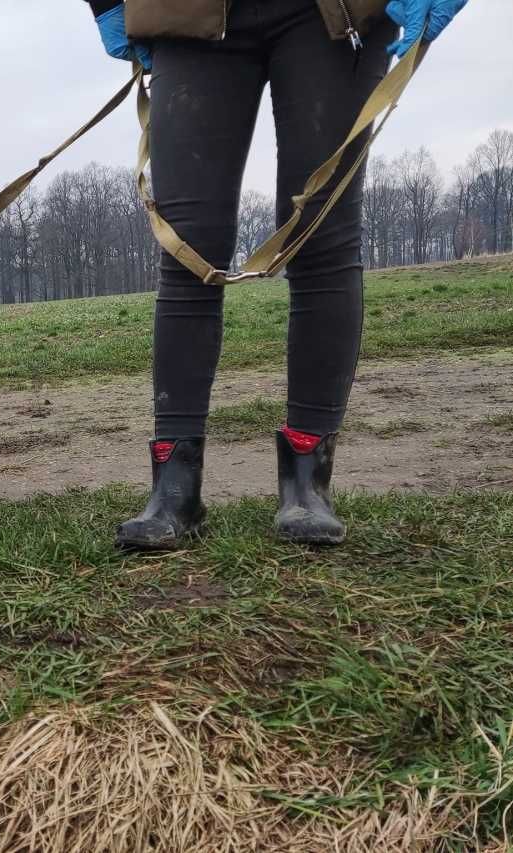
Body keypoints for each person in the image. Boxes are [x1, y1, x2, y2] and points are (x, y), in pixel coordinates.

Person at [84, 0, 467, 550]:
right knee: (188, 252)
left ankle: (307, 487)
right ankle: (174, 491)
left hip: (335, 14)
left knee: (323, 236)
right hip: (187, 12)